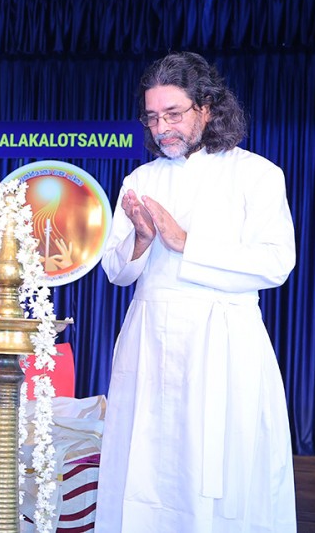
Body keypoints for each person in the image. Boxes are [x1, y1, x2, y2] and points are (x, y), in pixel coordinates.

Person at [97, 51, 297, 532]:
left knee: (217, 472)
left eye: (173, 114)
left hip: (223, 345)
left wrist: (185, 242)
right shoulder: (140, 180)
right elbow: (114, 270)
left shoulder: (257, 175)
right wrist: (142, 239)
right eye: (152, 116)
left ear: (206, 108)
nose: (161, 127)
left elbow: (276, 263)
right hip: (149, 344)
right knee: (145, 469)